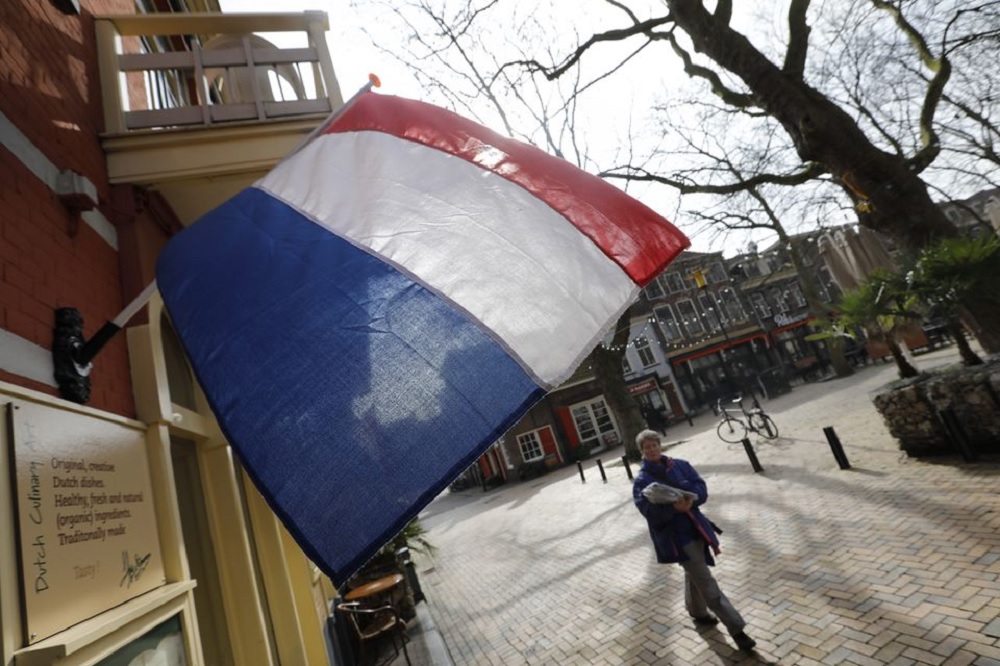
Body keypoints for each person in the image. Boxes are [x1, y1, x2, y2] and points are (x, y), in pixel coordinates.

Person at [631, 429, 757, 652]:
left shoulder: (680, 465)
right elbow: (649, 513)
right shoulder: (642, 481)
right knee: (706, 580)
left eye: (654, 445)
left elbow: (701, 488)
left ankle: (697, 612)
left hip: (698, 529)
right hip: (677, 538)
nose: (652, 450)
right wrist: (673, 508)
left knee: (695, 572)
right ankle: (737, 630)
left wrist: (689, 498)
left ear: (660, 445)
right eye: (646, 447)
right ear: (642, 452)